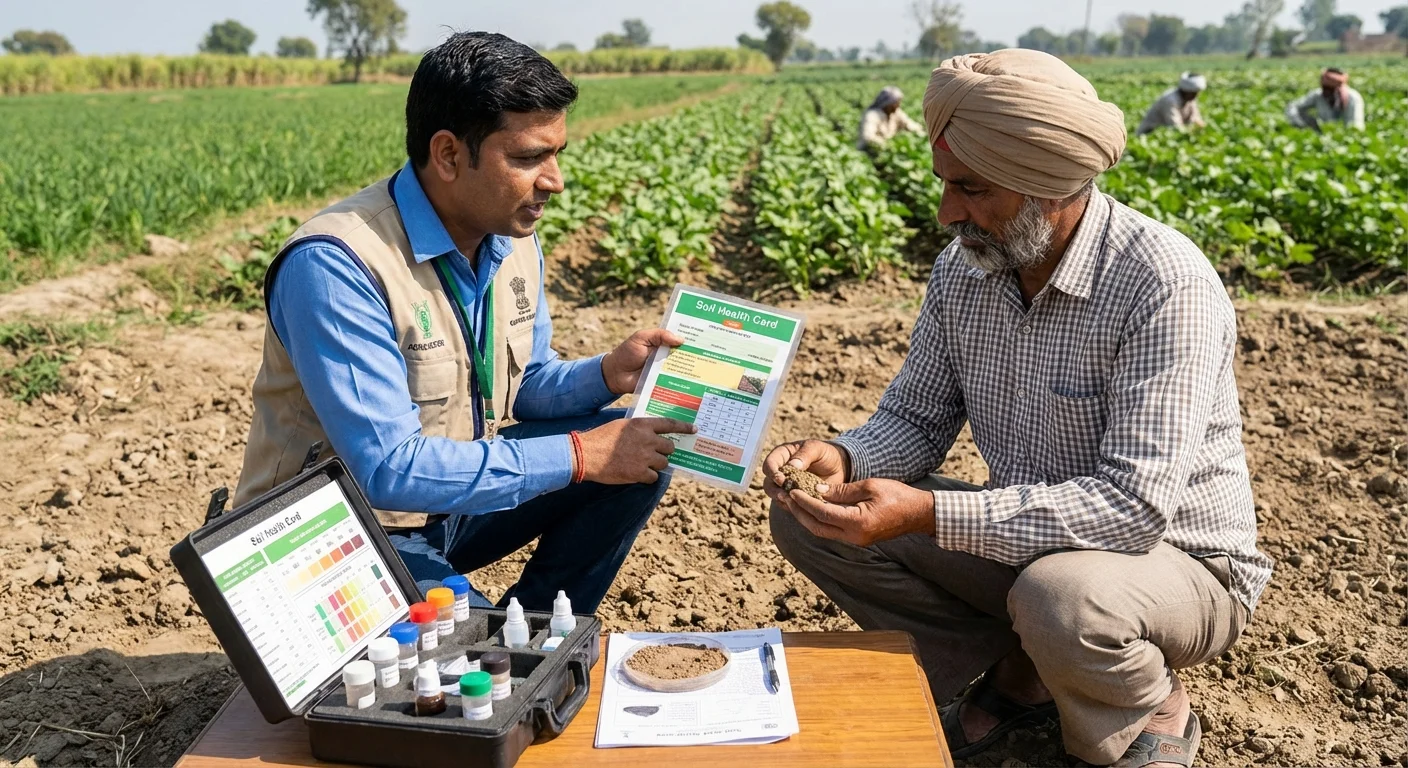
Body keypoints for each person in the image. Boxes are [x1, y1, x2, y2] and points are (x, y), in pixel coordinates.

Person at [764, 49, 1270, 768]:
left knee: (1064, 600)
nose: (947, 214)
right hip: (1036, 551)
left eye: (970, 189)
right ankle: (1020, 668)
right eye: (945, 185)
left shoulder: (1165, 286)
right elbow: (916, 418)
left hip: (1178, 565)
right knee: (812, 520)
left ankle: (1142, 703)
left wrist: (928, 513)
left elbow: (1132, 508)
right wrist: (844, 456)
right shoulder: (966, 269)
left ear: (1048, 187)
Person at [233, 32, 696, 613]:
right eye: (529, 158)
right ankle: (496, 649)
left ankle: (534, 636)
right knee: (463, 669)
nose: (554, 180)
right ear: (449, 154)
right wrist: (581, 453)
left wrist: (606, 375)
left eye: (557, 155)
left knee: (635, 461)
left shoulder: (510, 238)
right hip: (330, 537)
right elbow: (389, 468)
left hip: (442, 510)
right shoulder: (335, 263)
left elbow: (523, 387)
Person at [1286, 67, 1365, 131]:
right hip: (1323, 135)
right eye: (1325, 88)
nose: (1327, 92)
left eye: (1331, 89)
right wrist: (1301, 124)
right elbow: (1293, 106)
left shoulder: (1353, 98)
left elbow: (1356, 127)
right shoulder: (1318, 95)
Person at [1136, 72, 1207, 135]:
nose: (1197, 95)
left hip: (1166, 133)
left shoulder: (1190, 99)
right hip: (1148, 134)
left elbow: (1195, 118)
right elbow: (1175, 126)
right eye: (1194, 93)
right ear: (1187, 91)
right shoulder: (1170, 100)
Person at [856, 85, 923, 151]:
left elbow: (909, 124)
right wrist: (887, 144)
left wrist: (922, 133)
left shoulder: (896, 112)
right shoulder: (872, 116)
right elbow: (868, 137)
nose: (898, 105)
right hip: (870, 150)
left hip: (887, 148)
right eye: (896, 103)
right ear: (887, 103)